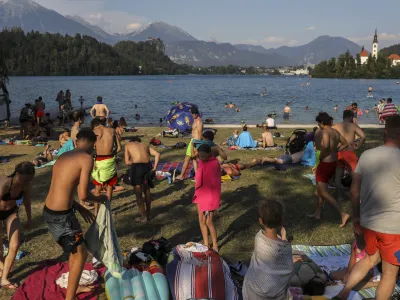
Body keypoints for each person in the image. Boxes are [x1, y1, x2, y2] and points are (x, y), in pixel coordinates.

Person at [333, 115, 400, 300]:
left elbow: (354, 191)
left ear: (385, 133)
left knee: (370, 259)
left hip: (369, 222)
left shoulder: (367, 155)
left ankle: (343, 293)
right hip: (394, 228)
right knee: (389, 273)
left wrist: (356, 218)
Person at [43, 129, 107, 300]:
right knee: (80, 254)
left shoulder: (64, 156)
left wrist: (80, 208)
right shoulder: (86, 159)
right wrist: (100, 198)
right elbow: (84, 194)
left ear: (77, 141)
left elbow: (62, 188)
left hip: (52, 211)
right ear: (94, 144)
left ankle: (74, 285)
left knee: (75, 251)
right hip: (61, 216)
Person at [243, 200, 294, 300]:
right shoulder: (285, 248)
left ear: (261, 221)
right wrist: (283, 240)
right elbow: (289, 270)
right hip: (276, 295)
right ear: (281, 220)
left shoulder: (258, 238)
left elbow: (273, 247)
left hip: (253, 294)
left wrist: (282, 239)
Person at [309, 112, 350, 227]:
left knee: (323, 192)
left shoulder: (325, 131)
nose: (318, 125)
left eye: (318, 123)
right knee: (320, 188)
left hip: (325, 163)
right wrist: (336, 151)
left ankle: (343, 214)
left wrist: (322, 156)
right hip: (333, 163)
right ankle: (317, 213)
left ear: (322, 122)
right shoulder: (335, 131)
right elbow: (345, 143)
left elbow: (325, 145)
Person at [0, 162, 34, 289]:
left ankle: (4, 278)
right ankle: (2, 270)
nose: (26, 183)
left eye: (29, 180)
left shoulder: (26, 185)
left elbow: (27, 201)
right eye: (25, 179)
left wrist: (29, 219)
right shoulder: (4, 184)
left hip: (11, 213)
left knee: (14, 245)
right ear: (17, 174)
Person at [332, 110, 366, 201]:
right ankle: (357, 196)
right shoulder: (353, 125)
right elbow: (363, 136)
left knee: (338, 176)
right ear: (350, 117)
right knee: (356, 175)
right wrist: (357, 146)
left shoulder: (335, 126)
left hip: (338, 153)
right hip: (348, 153)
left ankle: (339, 196)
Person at [125, 137, 160, 223]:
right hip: (147, 166)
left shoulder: (128, 145)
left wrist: (133, 161)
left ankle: (143, 217)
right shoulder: (145, 145)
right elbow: (157, 154)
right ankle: (148, 215)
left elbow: (127, 162)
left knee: (138, 192)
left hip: (137, 167)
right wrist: (154, 167)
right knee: (147, 190)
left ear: (132, 141)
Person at [193, 144, 221, 252]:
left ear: (209, 154)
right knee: (201, 221)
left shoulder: (214, 163)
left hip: (210, 195)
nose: (202, 158)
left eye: (204, 156)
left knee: (209, 222)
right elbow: (198, 178)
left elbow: (215, 182)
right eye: (200, 156)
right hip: (201, 193)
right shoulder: (201, 162)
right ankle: (206, 244)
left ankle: (215, 244)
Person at [91, 118, 122, 216]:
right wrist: (112, 154)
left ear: (96, 124)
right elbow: (119, 148)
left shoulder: (94, 132)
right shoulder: (112, 130)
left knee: (97, 188)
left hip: (99, 160)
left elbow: (91, 148)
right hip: (109, 160)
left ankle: (96, 212)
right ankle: (107, 211)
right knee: (109, 186)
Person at [175, 106, 203, 181]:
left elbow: (200, 134)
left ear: (196, 114)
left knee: (187, 158)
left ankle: (181, 175)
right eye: (191, 114)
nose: (192, 115)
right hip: (193, 141)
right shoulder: (195, 120)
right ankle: (197, 177)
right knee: (194, 159)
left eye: (193, 114)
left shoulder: (199, 121)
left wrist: (199, 144)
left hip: (196, 142)